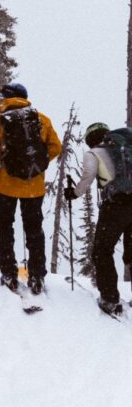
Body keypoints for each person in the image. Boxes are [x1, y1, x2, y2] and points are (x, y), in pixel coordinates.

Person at [0, 82, 62, 295]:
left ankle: (9, 274)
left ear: (8, 98)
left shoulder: (3, 120)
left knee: (4, 228)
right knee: (34, 230)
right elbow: (56, 147)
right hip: (34, 187)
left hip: (6, 185)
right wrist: (37, 165)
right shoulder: (41, 119)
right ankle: (37, 275)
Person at [65, 122, 132, 316]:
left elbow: (87, 177)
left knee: (102, 251)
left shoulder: (94, 153)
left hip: (116, 206)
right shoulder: (126, 147)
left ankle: (110, 299)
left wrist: (74, 193)